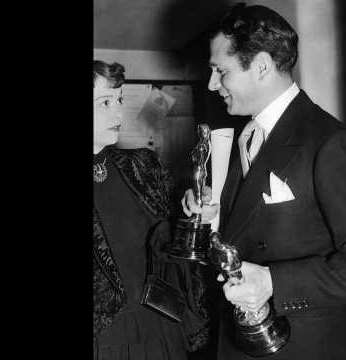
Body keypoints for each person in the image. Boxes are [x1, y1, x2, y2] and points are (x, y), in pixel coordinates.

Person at [181, 5, 346, 360]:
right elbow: (247, 229)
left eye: (220, 71)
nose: (212, 84)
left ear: (261, 66)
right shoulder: (248, 136)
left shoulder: (331, 142)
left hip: (302, 347)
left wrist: (272, 283)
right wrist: (213, 217)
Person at [93, 60, 210, 360]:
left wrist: (192, 215)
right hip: (105, 340)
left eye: (118, 100)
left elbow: (172, 248)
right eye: (104, 103)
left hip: (160, 324)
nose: (119, 112)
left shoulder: (143, 166)